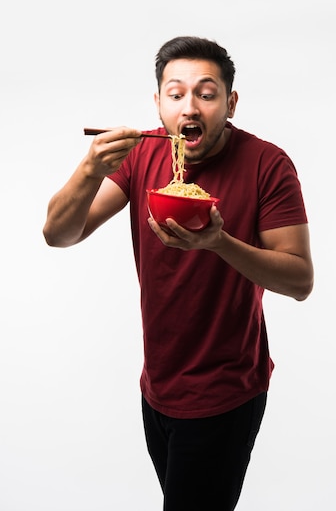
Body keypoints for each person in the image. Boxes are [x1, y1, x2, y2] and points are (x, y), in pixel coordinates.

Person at [43, 36, 314, 511]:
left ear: (230, 103)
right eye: (176, 94)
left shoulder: (268, 164)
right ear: (158, 103)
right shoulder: (140, 157)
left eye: (206, 94)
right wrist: (89, 168)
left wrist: (219, 243)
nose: (190, 106)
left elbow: (299, 281)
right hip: (157, 386)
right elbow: (59, 234)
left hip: (225, 392)